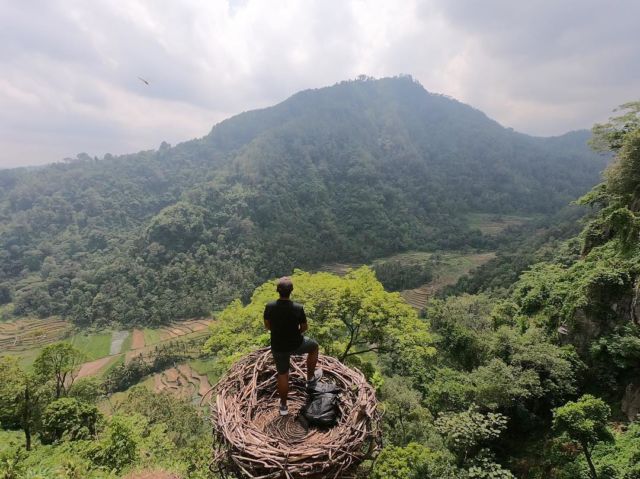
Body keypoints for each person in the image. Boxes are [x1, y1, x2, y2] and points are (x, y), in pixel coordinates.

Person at [264, 276, 322, 416]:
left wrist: (278, 332)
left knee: (283, 374)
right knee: (314, 347)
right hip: (296, 344)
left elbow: (267, 326)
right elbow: (304, 327)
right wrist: (295, 334)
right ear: (291, 291)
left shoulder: (269, 307)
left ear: (277, 290)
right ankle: (309, 379)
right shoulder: (298, 308)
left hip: (278, 346)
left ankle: (283, 407)